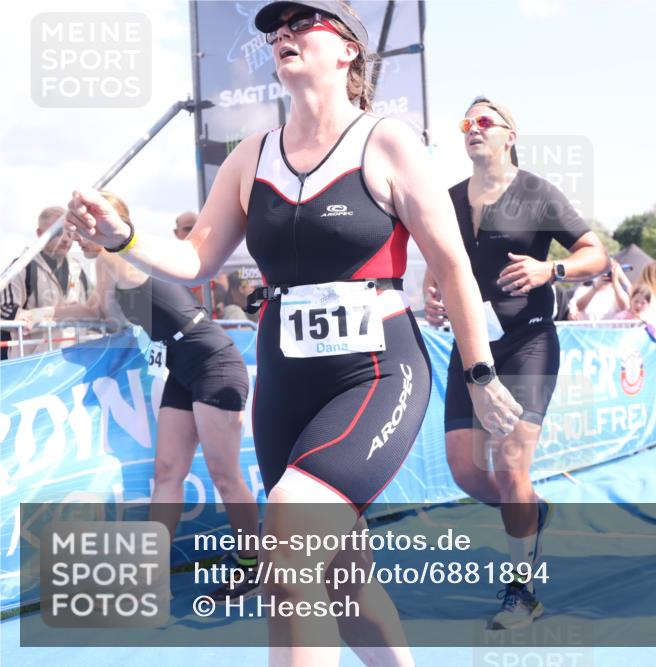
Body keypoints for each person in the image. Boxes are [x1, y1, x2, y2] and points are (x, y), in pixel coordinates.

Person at [66, 3, 522, 665]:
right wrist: (124, 238)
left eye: (301, 24)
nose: (283, 35)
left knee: (287, 538)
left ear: (347, 53)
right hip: (285, 383)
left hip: (374, 374)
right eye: (275, 30)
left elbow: (452, 264)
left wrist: (479, 373)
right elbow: (197, 259)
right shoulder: (251, 156)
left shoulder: (388, 141)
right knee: (342, 582)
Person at [423, 96, 608, 630]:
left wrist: (552, 271)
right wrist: (431, 291)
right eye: (467, 123)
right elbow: (439, 263)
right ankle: (531, 508)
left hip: (527, 343)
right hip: (472, 348)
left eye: (485, 122)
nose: (473, 129)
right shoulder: (448, 198)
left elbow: (596, 254)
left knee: (510, 466)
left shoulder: (538, 192)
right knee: (466, 473)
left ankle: (522, 592)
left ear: (510, 134)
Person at [58, 192, 260, 600]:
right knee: (167, 473)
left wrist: (41, 316)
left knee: (225, 475)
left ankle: (251, 565)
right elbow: (105, 312)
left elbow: (101, 312)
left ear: (104, 222)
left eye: (80, 228)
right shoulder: (113, 260)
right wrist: (41, 316)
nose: (76, 238)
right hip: (182, 370)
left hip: (213, 363)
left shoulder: (115, 257)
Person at [1, 206, 91, 358]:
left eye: (69, 232)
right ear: (40, 234)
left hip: (72, 365)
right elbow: (4, 308)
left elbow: (89, 311)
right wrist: (27, 316)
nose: (65, 238)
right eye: (57, 232)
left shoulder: (78, 269)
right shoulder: (21, 266)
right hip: (32, 367)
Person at [565, 258, 630, 320]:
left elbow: (625, 307)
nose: (606, 274)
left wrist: (615, 280)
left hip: (610, 331)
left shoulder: (618, 293)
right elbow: (579, 307)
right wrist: (596, 288)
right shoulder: (582, 290)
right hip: (587, 330)